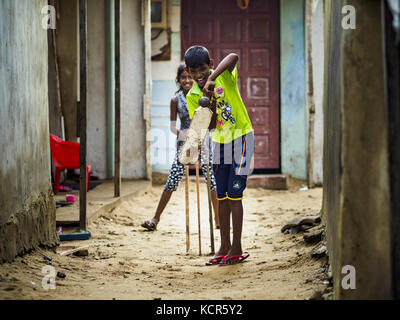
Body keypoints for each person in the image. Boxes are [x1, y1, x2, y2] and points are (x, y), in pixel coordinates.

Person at [185, 46, 254, 266]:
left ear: (211, 64)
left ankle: (237, 247)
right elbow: (209, 126)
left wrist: (213, 79)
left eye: (203, 70)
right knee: (222, 196)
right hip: (219, 144)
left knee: (235, 194)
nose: (199, 76)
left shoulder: (224, 75)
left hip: (242, 138)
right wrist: (211, 104)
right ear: (188, 71)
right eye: (194, 72)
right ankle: (224, 246)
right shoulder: (193, 95)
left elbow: (234, 56)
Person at [142, 64, 219, 231]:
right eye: (183, 77)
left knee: (211, 180)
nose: (187, 80)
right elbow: (172, 127)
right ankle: (156, 218)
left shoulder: (202, 96)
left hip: (204, 140)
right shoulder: (175, 100)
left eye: (189, 77)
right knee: (173, 179)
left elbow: (210, 121)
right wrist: (184, 135)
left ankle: (218, 220)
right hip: (184, 144)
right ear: (178, 80)